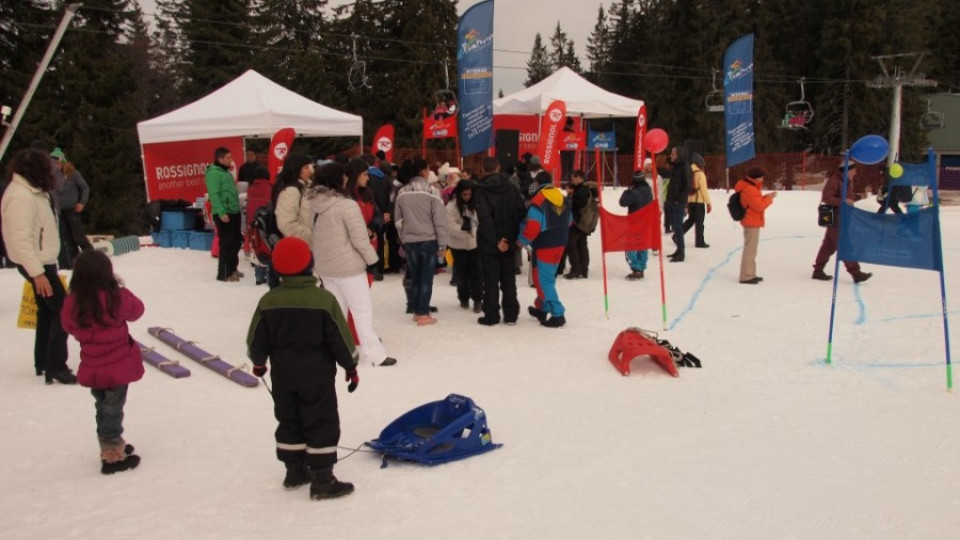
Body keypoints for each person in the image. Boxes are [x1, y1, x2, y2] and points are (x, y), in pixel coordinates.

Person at [247, 237, 358, 500]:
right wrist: (350, 366)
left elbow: (255, 340)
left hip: (283, 376)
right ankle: (322, 479)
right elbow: (341, 339)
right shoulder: (323, 300)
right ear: (310, 264)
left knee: (289, 418)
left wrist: (259, 362)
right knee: (320, 420)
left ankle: (294, 471)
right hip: (317, 377)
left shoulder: (269, 301)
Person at [61, 250, 144, 475]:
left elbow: (67, 325)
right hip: (118, 366)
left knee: (102, 405)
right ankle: (111, 454)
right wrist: (121, 289)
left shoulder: (74, 300)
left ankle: (112, 440)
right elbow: (137, 310)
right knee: (113, 408)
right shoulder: (115, 296)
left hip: (93, 366)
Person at [308, 162, 396, 366]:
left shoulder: (313, 204)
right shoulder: (347, 205)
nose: (347, 179)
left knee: (336, 312)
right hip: (349, 268)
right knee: (362, 311)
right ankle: (375, 354)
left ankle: (338, 351)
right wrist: (373, 261)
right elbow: (360, 239)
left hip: (326, 267)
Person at [1, 148, 76, 384]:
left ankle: (43, 361)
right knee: (63, 311)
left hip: (42, 261)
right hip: (35, 263)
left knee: (47, 310)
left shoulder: (31, 191)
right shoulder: (21, 196)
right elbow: (19, 239)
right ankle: (56, 365)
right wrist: (37, 274)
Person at [394, 157, 449, 326]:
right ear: (424, 171)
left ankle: (417, 310)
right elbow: (440, 221)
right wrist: (442, 244)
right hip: (428, 240)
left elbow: (398, 220)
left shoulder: (402, 192)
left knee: (415, 277)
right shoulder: (433, 192)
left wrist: (404, 237)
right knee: (426, 278)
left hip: (410, 241)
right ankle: (423, 312)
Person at [473, 157, 525, 326]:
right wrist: (510, 237)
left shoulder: (481, 190)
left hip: (491, 242)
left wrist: (497, 240)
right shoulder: (511, 187)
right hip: (508, 240)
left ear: (483, 169)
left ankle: (492, 314)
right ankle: (511, 314)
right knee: (508, 279)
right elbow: (520, 212)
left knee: (490, 280)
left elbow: (484, 218)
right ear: (498, 167)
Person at [520, 171, 571, 328]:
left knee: (543, 280)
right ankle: (542, 307)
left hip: (544, 245)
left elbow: (533, 226)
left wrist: (521, 240)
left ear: (536, 183)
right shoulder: (563, 197)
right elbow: (570, 221)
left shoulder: (538, 200)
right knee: (548, 277)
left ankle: (557, 313)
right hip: (560, 243)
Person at [812, 164, 873, 283]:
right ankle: (856, 272)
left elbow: (846, 197)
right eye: (853, 171)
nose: (855, 173)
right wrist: (843, 201)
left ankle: (818, 270)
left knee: (828, 246)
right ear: (847, 170)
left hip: (842, 217)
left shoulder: (846, 181)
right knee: (844, 245)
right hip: (837, 218)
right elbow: (827, 197)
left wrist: (856, 197)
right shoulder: (834, 181)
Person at [271, 154, 315, 287]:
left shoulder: (305, 187)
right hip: (298, 247)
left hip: (305, 246)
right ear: (296, 169)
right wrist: (310, 236)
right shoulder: (291, 190)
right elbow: (286, 223)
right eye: (306, 167)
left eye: (310, 167)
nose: (310, 171)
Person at [205, 147, 242, 282]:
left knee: (236, 241)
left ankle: (232, 268)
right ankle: (224, 274)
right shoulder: (213, 173)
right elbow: (214, 194)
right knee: (226, 243)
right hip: (224, 213)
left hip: (233, 211)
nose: (231, 160)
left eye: (231, 157)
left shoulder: (225, 172)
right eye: (228, 158)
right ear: (220, 159)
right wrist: (221, 212)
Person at [52, 148, 93, 269]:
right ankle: (72, 262)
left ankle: (91, 259)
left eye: (57, 162)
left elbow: (85, 187)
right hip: (59, 211)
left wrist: (82, 202)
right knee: (66, 238)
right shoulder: (52, 176)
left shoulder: (73, 174)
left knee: (79, 236)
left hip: (72, 209)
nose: (55, 165)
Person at [735, 167, 777, 284]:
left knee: (752, 249)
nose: (762, 180)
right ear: (756, 178)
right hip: (751, 221)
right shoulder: (750, 189)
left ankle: (750, 273)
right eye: (761, 177)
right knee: (750, 249)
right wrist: (768, 199)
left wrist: (766, 197)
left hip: (752, 220)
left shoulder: (750, 187)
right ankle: (746, 276)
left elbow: (756, 202)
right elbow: (758, 206)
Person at [447, 179, 482, 313]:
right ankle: (463, 298)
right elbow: (449, 225)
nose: (467, 197)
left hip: (474, 244)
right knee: (461, 273)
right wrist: (464, 229)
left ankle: (478, 299)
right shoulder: (451, 206)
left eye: (469, 194)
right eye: (464, 194)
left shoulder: (477, 204)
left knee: (477, 273)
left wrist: (474, 229)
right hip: (458, 245)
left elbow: (481, 221)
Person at [620, 170, 654, 280]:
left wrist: (627, 191)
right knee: (642, 245)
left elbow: (622, 202)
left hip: (634, 222)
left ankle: (636, 268)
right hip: (646, 222)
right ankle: (642, 266)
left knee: (630, 245)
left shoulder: (634, 192)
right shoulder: (648, 190)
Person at [245, 165, 272, 285]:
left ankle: (259, 276)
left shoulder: (250, 188)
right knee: (269, 248)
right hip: (265, 221)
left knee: (257, 247)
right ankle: (270, 275)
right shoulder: (269, 188)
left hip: (252, 222)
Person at [564, 170, 591, 279]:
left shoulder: (582, 190)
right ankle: (583, 269)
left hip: (577, 222)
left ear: (579, 177)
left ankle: (576, 269)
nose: (572, 180)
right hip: (583, 222)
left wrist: (570, 198)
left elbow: (577, 204)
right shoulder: (584, 189)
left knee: (572, 245)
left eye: (573, 178)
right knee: (581, 245)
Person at [665, 146, 691, 262]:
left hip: (678, 202)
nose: (671, 155)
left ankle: (681, 252)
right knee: (676, 227)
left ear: (679, 155)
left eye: (673, 154)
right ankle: (678, 250)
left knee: (678, 227)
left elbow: (687, 186)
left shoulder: (685, 167)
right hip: (672, 201)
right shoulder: (676, 167)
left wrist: (679, 199)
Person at [682, 153, 711, 248]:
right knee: (699, 223)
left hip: (690, 201)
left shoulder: (688, 173)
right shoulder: (700, 174)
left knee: (691, 220)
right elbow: (703, 190)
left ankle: (677, 235)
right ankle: (700, 242)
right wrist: (708, 203)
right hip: (699, 201)